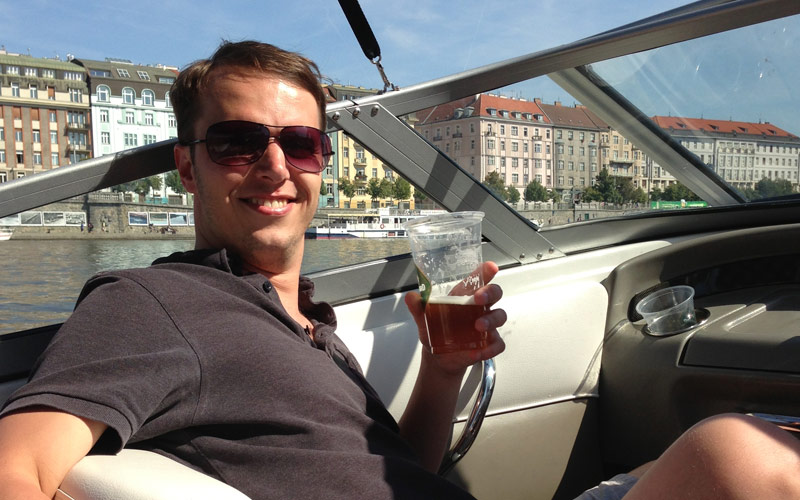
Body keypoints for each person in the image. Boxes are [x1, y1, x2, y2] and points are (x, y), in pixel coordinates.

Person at [0, 40, 799, 500]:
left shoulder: (303, 321)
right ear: (188, 166)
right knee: (739, 454)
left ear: (322, 163)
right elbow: (18, 466)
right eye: (239, 142)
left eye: (302, 143)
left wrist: (445, 371)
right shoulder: (156, 300)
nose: (275, 165)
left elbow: (387, 475)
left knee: (699, 455)